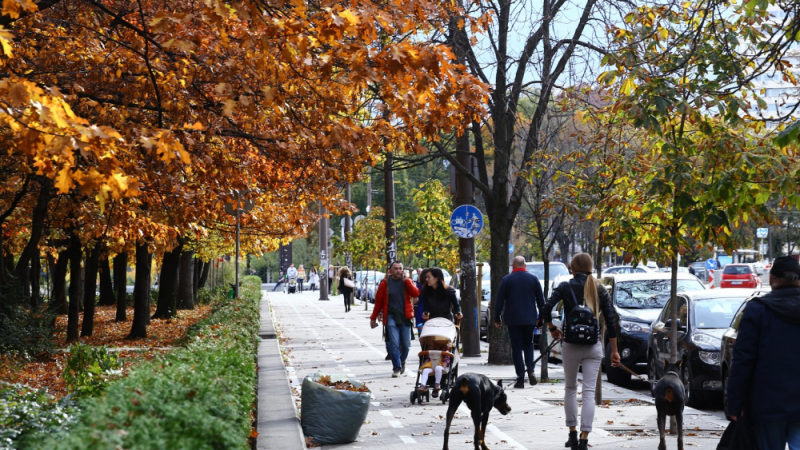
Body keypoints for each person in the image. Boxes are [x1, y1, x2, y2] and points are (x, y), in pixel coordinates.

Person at [542, 252, 620, 450]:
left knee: (570, 389)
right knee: (588, 392)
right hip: (593, 346)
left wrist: (552, 328)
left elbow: (545, 309)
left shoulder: (565, 286)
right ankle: (584, 439)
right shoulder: (600, 289)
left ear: (573, 268)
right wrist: (615, 351)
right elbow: (611, 322)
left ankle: (572, 434)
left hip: (570, 344)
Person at [726, 256, 800, 450]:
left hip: (767, 404)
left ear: (771, 279)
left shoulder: (758, 309)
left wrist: (734, 403)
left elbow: (743, 360)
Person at [494, 256, 545, 389]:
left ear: (513, 265)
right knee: (528, 344)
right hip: (529, 319)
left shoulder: (507, 280)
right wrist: (541, 318)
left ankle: (520, 379)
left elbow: (499, 301)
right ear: (525, 265)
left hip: (513, 320)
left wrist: (497, 318)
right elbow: (541, 300)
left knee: (516, 348)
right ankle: (531, 371)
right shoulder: (533, 279)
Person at [370, 261, 420, 377]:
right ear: (391, 270)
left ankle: (402, 360)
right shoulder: (385, 283)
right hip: (391, 316)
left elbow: (415, 293)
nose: (398, 271)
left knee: (406, 345)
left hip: (405, 316)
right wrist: (373, 318)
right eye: (396, 268)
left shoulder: (407, 281)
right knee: (394, 343)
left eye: (400, 268)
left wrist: (407, 281)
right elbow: (378, 302)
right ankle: (396, 368)